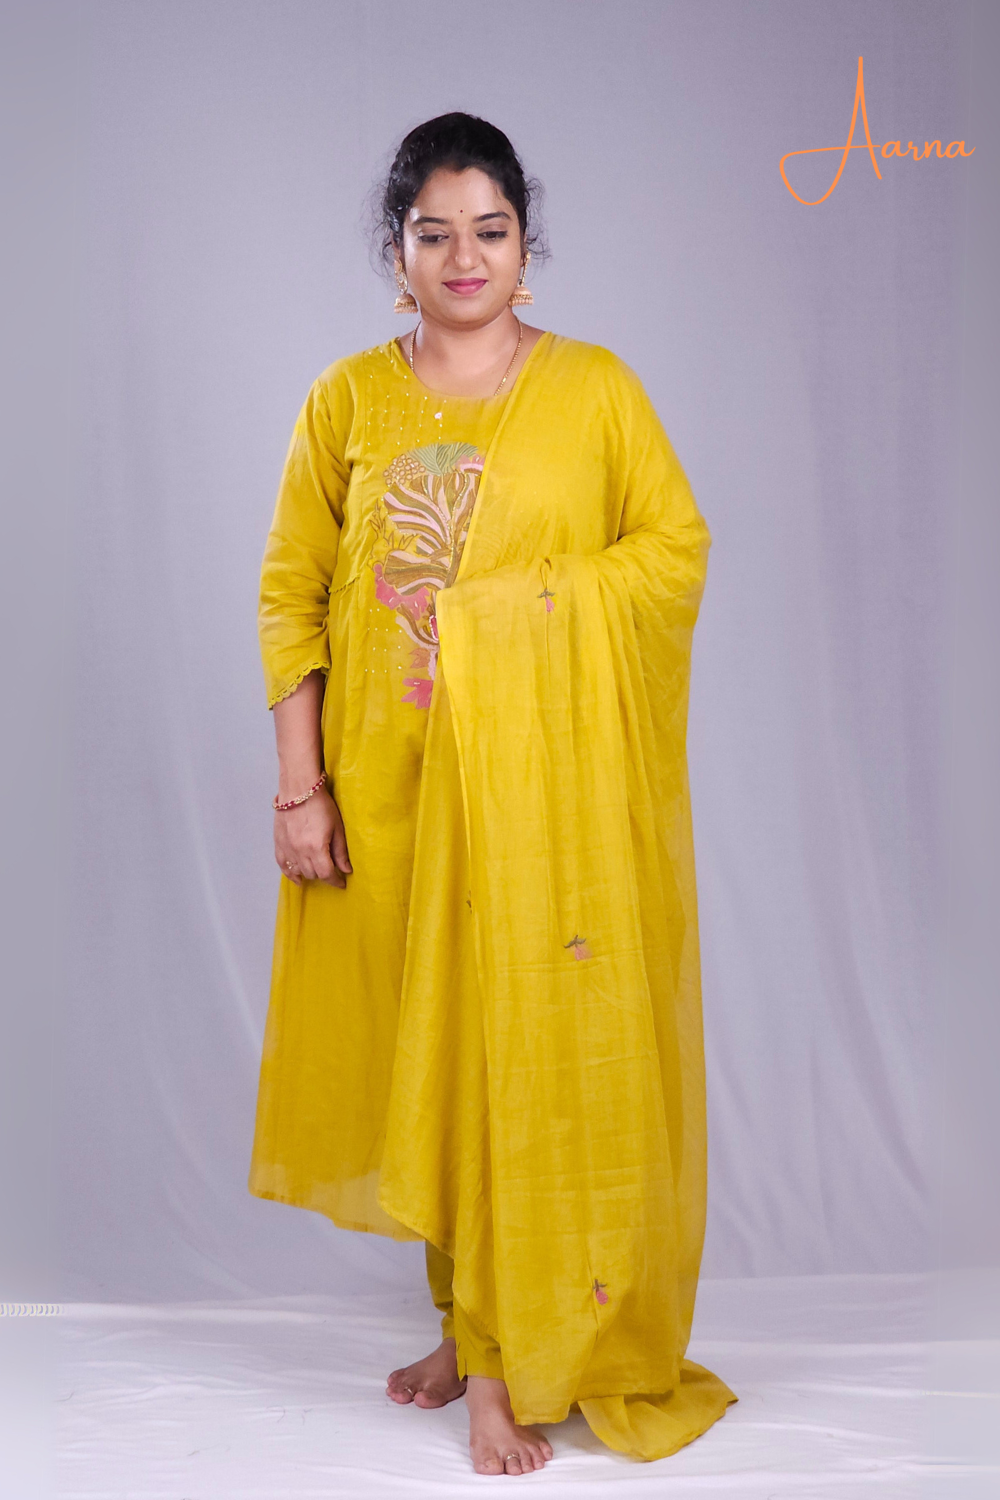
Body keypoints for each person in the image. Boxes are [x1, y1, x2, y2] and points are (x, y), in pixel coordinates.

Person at [250, 111, 735, 1474]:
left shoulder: (597, 392)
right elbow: (292, 594)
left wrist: (510, 616)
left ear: (527, 243)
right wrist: (301, 788)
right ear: (396, 250)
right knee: (437, 1060)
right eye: (434, 233)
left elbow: (673, 554)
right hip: (392, 795)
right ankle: (466, 1323)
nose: (465, 257)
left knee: (517, 1054)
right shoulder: (346, 399)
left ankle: (501, 1367)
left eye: (491, 230)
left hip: (537, 811)